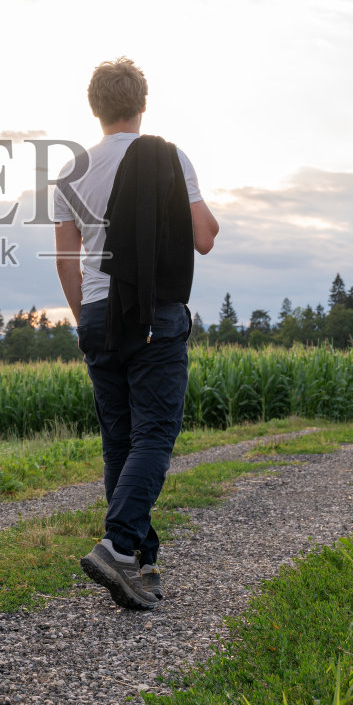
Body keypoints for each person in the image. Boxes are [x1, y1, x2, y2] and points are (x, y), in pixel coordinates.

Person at [52, 58, 218, 610]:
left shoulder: (71, 171)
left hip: (97, 314)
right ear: (142, 105)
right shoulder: (168, 158)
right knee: (154, 435)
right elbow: (204, 238)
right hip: (153, 313)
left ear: (95, 109)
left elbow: (66, 257)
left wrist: (84, 319)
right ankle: (119, 543)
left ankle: (140, 565)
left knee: (119, 441)